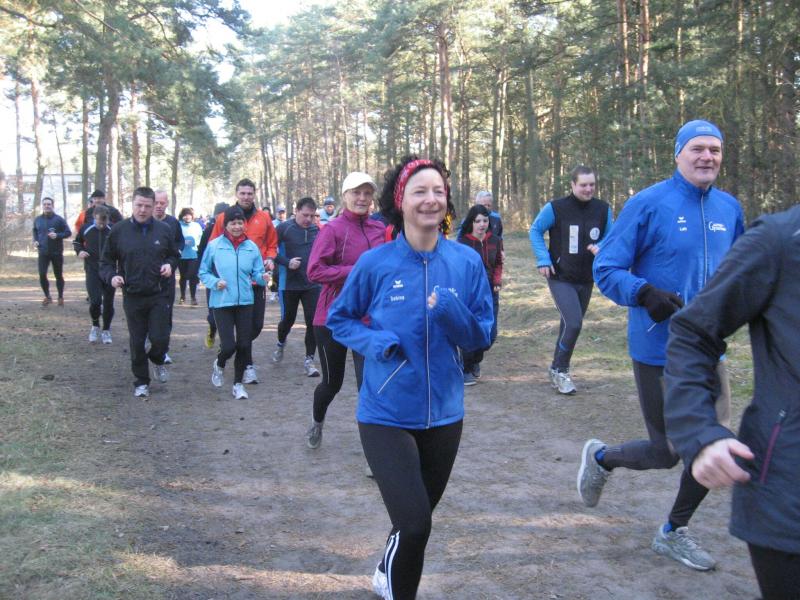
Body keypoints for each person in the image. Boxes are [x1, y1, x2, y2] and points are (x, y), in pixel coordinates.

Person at [577, 120, 745, 571]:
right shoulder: (648, 204)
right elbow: (606, 268)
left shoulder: (729, 208)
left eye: (714, 149)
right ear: (678, 154)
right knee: (667, 451)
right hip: (658, 349)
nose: (707, 156)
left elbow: (743, 273)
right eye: (697, 148)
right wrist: (644, 292)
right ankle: (601, 457)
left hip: (710, 350)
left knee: (713, 443)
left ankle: (673, 531)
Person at [327, 156, 493, 600]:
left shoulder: (466, 262)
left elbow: (482, 335)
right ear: (400, 201)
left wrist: (451, 311)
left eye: (438, 191)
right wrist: (375, 342)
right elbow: (340, 320)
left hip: (445, 414)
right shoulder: (375, 264)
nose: (430, 199)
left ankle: (388, 568)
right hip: (385, 412)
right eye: (420, 191)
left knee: (414, 524)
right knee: (415, 524)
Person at [664, 205, 800, 599]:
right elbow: (693, 333)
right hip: (789, 499)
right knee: (659, 451)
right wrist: (700, 433)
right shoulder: (780, 241)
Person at [305, 172, 386, 449]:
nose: (362, 198)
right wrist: (355, 271)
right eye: (356, 192)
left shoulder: (379, 230)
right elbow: (314, 271)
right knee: (332, 383)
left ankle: (374, 446)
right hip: (332, 318)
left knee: (369, 385)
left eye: (367, 193)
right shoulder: (332, 230)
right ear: (345, 196)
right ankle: (317, 422)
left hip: (368, 319)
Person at [529, 165, 613, 394]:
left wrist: (601, 246)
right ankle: (561, 370)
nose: (588, 189)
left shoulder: (603, 209)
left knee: (569, 324)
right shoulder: (556, 208)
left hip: (586, 277)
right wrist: (543, 259)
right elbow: (535, 230)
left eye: (592, 185)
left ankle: (556, 368)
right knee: (574, 323)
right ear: (573, 185)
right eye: (583, 185)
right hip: (560, 275)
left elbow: (611, 236)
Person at [100, 187, 180, 398]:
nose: (143, 210)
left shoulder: (164, 230)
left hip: (159, 293)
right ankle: (141, 381)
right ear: (132, 205)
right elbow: (106, 261)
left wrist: (170, 265)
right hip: (133, 294)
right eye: (139, 205)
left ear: (154, 207)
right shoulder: (119, 231)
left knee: (160, 338)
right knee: (137, 341)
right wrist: (112, 277)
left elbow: (173, 255)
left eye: (147, 206)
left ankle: (158, 359)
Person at [210, 179, 278, 384]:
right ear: (236, 194)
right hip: (230, 285)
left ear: (254, 194)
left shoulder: (264, 218)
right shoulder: (223, 217)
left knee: (255, 327)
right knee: (239, 334)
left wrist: (270, 258)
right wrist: (216, 278)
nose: (246, 197)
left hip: (256, 282)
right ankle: (247, 366)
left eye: (250, 193)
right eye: (243, 193)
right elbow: (213, 247)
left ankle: (239, 353)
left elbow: (272, 244)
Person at [200, 205, 266, 400]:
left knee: (244, 345)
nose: (237, 227)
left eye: (240, 223)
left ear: (244, 224)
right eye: (233, 223)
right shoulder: (214, 246)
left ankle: (238, 384)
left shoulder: (251, 247)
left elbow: (258, 273)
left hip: (245, 301)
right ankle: (219, 363)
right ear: (225, 225)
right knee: (228, 346)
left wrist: (263, 277)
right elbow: (203, 272)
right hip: (222, 302)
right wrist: (215, 282)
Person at [272, 197, 322, 377]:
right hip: (289, 284)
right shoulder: (284, 228)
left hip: (312, 284)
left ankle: (309, 360)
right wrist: (287, 262)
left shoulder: (318, 230)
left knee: (313, 322)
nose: (308, 219)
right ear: (296, 211)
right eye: (305, 215)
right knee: (288, 320)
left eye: (312, 216)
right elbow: (270, 250)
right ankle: (280, 343)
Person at [457, 204, 503, 385]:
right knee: (471, 330)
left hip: (491, 292)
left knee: (490, 335)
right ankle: (466, 368)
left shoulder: (496, 240)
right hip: (470, 294)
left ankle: (475, 359)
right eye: (478, 221)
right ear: (471, 223)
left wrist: (497, 281)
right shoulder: (463, 242)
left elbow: (498, 263)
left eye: (485, 220)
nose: (482, 224)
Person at [73, 205, 115, 343]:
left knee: (108, 302)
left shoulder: (113, 230)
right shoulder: (86, 228)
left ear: (108, 219)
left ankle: (106, 330)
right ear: (94, 218)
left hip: (109, 271)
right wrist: (80, 251)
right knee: (95, 301)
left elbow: (121, 247)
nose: (101, 225)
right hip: (92, 269)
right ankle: (95, 325)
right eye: (98, 222)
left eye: (104, 222)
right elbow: (77, 242)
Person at [154, 190, 184, 364]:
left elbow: (180, 242)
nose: (159, 206)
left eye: (162, 203)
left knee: (166, 313)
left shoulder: (173, 222)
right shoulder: (144, 223)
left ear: (167, 204)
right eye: (156, 202)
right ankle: (148, 340)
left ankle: (164, 350)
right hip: (146, 277)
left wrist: (174, 258)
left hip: (167, 275)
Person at [197, 201, 229, 348]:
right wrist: (201, 272)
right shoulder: (209, 230)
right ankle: (212, 328)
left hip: (229, 277)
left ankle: (225, 342)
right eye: (218, 216)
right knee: (213, 312)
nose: (221, 219)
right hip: (213, 277)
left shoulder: (236, 231)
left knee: (228, 311)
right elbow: (201, 252)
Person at [33, 197, 71, 306]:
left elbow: (68, 232)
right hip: (43, 252)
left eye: (49, 204)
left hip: (56, 252)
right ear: (42, 206)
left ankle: (60, 297)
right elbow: (35, 231)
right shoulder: (38, 219)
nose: (47, 206)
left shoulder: (59, 219)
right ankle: (47, 296)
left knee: (58, 275)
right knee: (42, 274)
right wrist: (35, 240)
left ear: (52, 206)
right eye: (45, 204)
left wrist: (57, 235)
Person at [177, 207, 203, 306]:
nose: (187, 217)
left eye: (189, 215)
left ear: (192, 216)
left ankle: (193, 297)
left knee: (193, 276)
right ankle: (182, 296)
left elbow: (200, 238)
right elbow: (175, 238)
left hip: (193, 255)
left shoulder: (197, 226)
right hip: (182, 255)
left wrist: (197, 245)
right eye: (185, 215)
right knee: (183, 276)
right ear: (182, 216)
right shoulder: (178, 225)